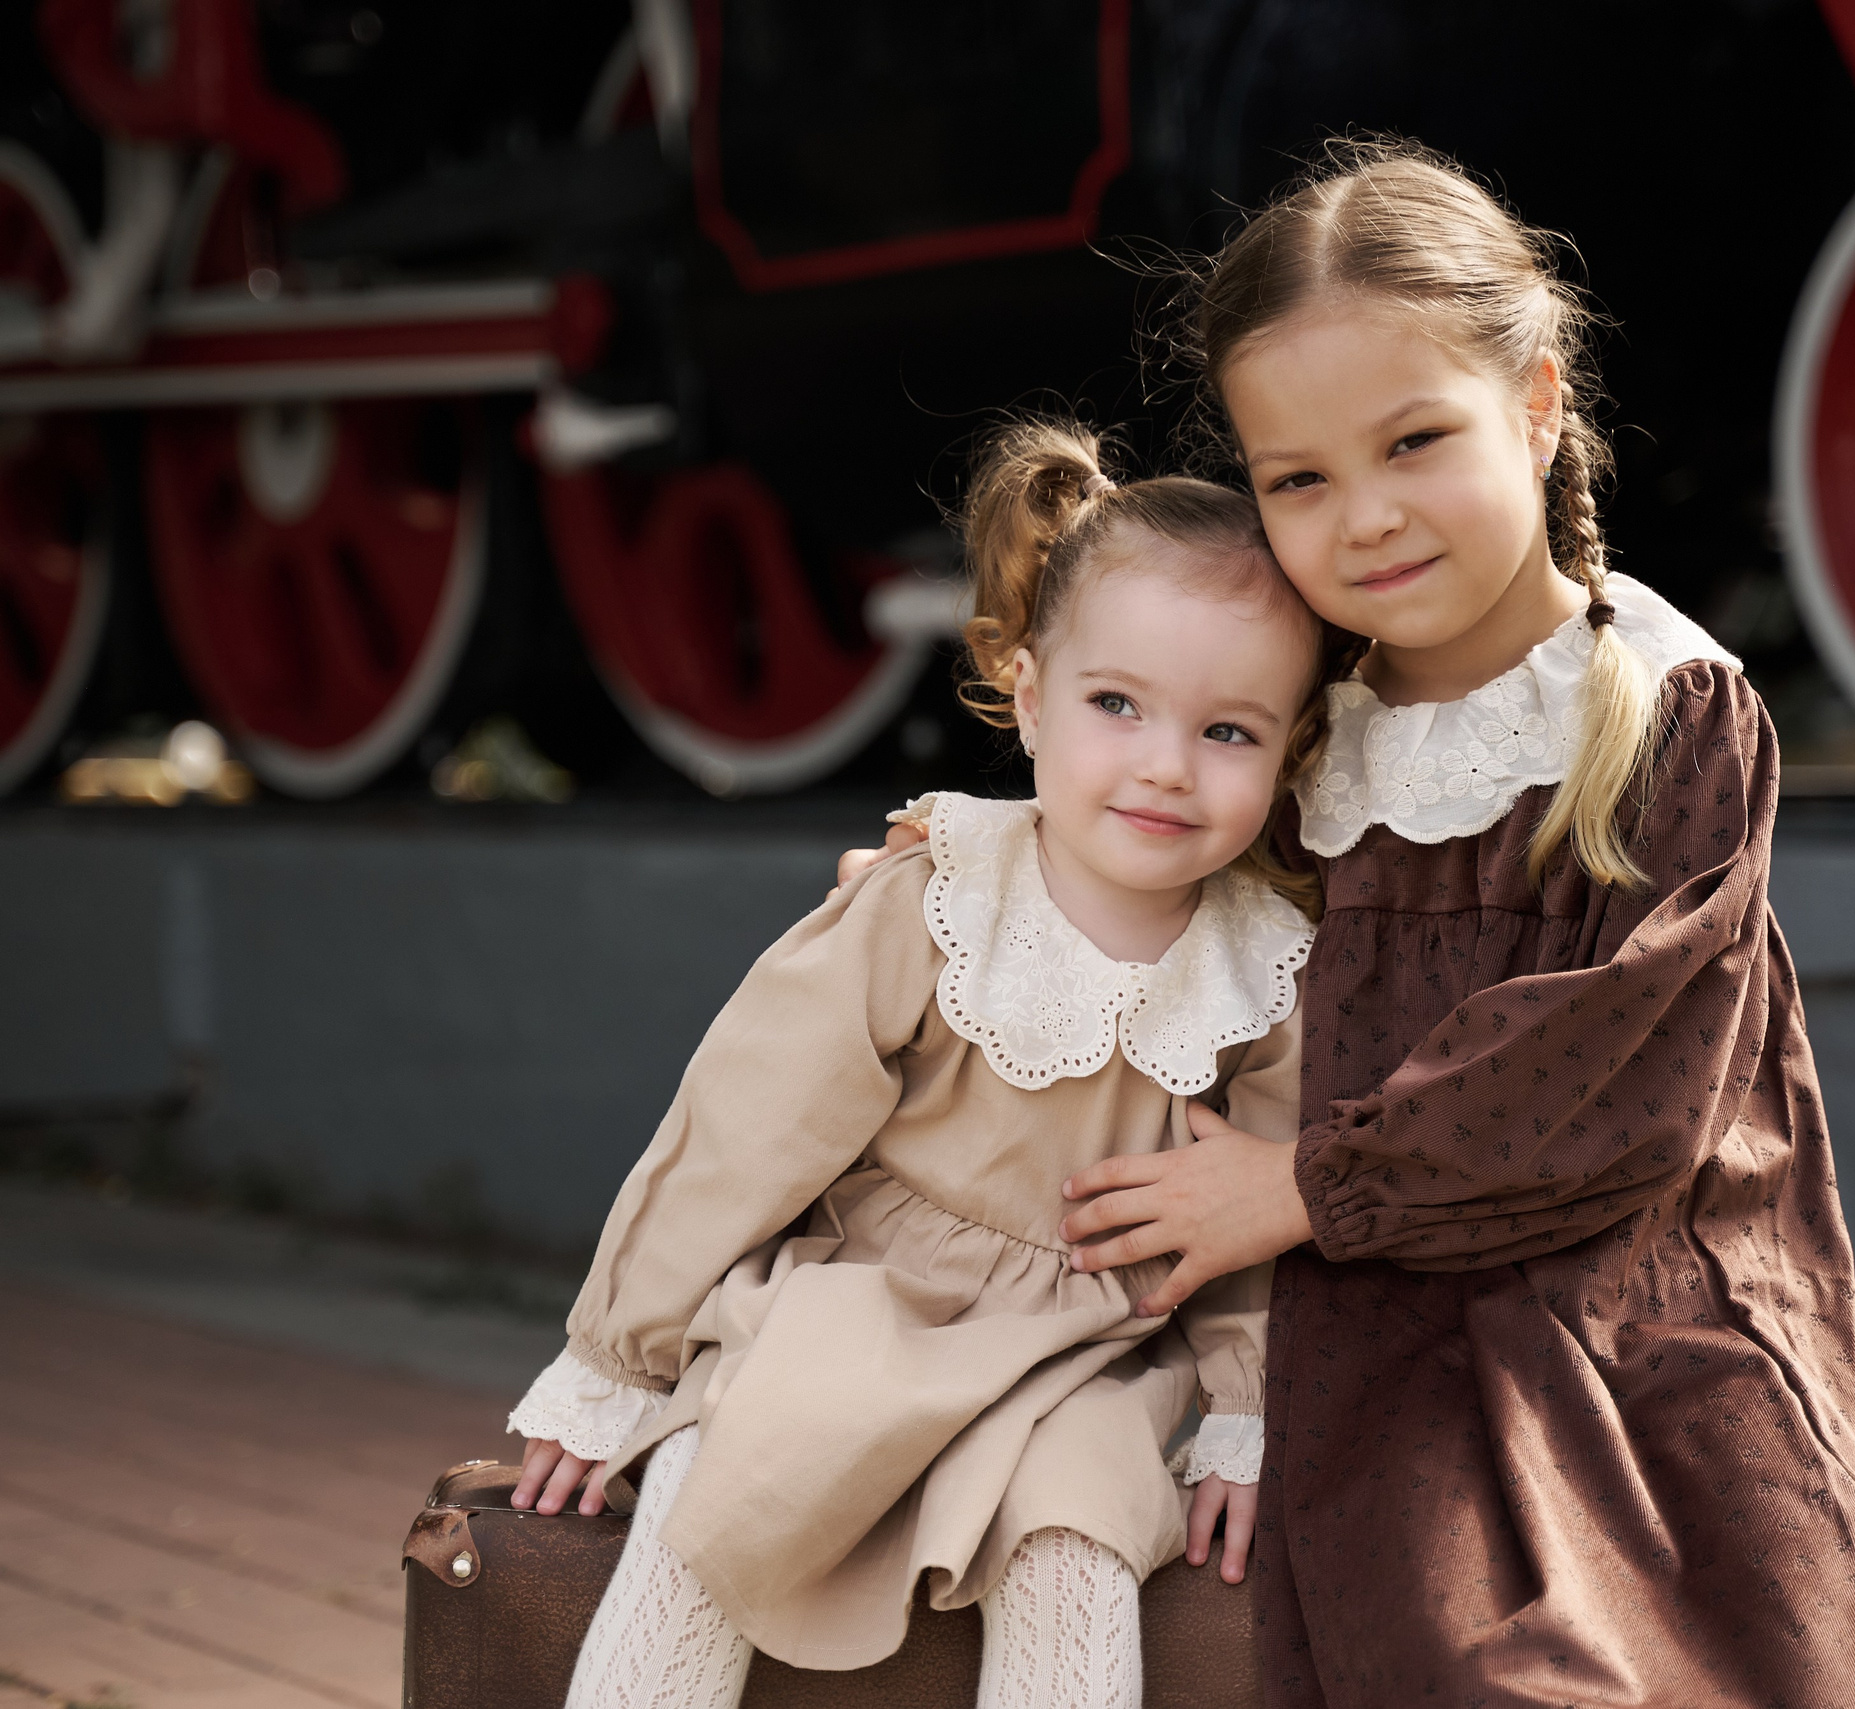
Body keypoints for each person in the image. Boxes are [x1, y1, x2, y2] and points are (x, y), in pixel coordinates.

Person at [845, 140, 1855, 1708]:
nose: (1366, 518)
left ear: (1533, 404)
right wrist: (956, 872)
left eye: (1414, 442)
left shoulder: (1661, 704)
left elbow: (1621, 1080)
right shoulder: (1306, 730)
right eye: (1300, 480)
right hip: (1381, 1309)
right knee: (1458, 1636)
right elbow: (1140, 843)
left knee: (1759, 1624)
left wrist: (1309, 1184)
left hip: (1634, 1295)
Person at [509, 420, 1336, 1709]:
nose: (1166, 765)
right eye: (1118, 705)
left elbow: (1257, 1226)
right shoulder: (935, 893)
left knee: (1077, 1549)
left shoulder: (1265, 971)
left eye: (1229, 732)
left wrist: (1245, 1407)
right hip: (872, 1293)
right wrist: (618, 1358)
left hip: (1095, 1347)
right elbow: (747, 1125)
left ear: (1290, 751)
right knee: (718, 1477)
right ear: (1027, 690)